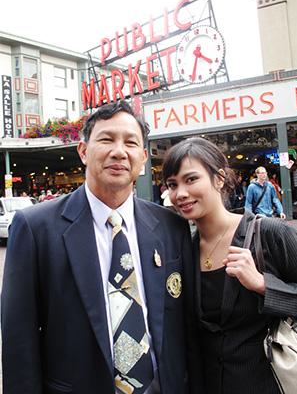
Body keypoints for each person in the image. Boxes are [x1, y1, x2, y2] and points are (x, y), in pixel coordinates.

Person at [1, 101, 199, 394]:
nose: (119, 151)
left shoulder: (172, 226)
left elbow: (186, 327)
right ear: (83, 151)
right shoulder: (36, 228)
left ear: (143, 158)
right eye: (106, 139)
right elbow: (19, 340)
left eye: (130, 143)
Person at [162, 137, 297, 394]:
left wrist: (263, 285)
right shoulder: (183, 253)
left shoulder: (268, 233)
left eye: (191, 179)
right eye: (172, 184)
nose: (180, 193)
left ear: (219, 178)